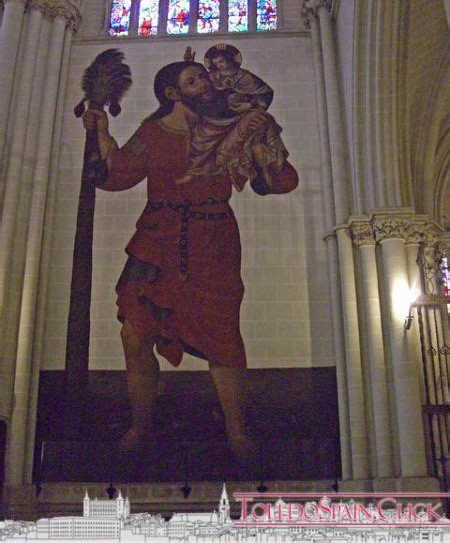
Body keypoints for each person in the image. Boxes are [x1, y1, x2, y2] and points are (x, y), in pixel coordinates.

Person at [82, 59, 298, 458]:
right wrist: (101, 133)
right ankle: (140, 426)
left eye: (205, 77)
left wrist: (266, 152)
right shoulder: (153, 132)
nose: (206, 83)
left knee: (222, 336)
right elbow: (117, 176)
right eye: (194, 79)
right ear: (172, 93)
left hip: (212, 238)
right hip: (156, 238)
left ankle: (236, 432)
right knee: (134, 332)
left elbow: (279, 182)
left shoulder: (230, 128)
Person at [176, 44, 288, 190]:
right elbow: (194, 84)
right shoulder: (211, 77)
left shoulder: (245, 77)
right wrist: (188, 64)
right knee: (198, 146)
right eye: (216, 64)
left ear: (230, 60)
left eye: (221, 61)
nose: (219, 66)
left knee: (262, 119)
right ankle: (198, 171)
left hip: (237, 118)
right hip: (212, 120)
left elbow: (265, 93)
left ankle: (263, 165)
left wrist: (249, 105)